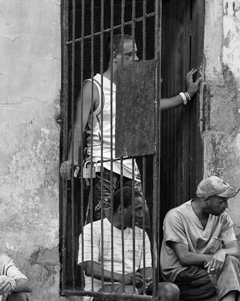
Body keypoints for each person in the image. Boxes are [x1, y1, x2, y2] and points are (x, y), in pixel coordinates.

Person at [60, 32, 202, 219]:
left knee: (138, 220)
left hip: (128, 164)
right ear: (114, 56)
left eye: (135, 53)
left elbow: (153, 106)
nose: (136, 59)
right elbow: (78, 126)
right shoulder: (93, 87)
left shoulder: (130, 87)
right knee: (105, 224)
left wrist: (187, 95)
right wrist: (72, 160)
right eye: (129, 55)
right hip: (103, 165)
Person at [78, 186, 180, 301]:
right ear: (120, 209)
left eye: (143, 209)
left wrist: (147, 282)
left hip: (131, 294)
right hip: (101, 298)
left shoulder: (140, 234)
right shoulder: (92, 230)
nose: (142, 214)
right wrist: (122, 278)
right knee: (129, 292)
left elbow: (148, 268)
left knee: (170, 291)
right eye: (137, 210)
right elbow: (89, 268)